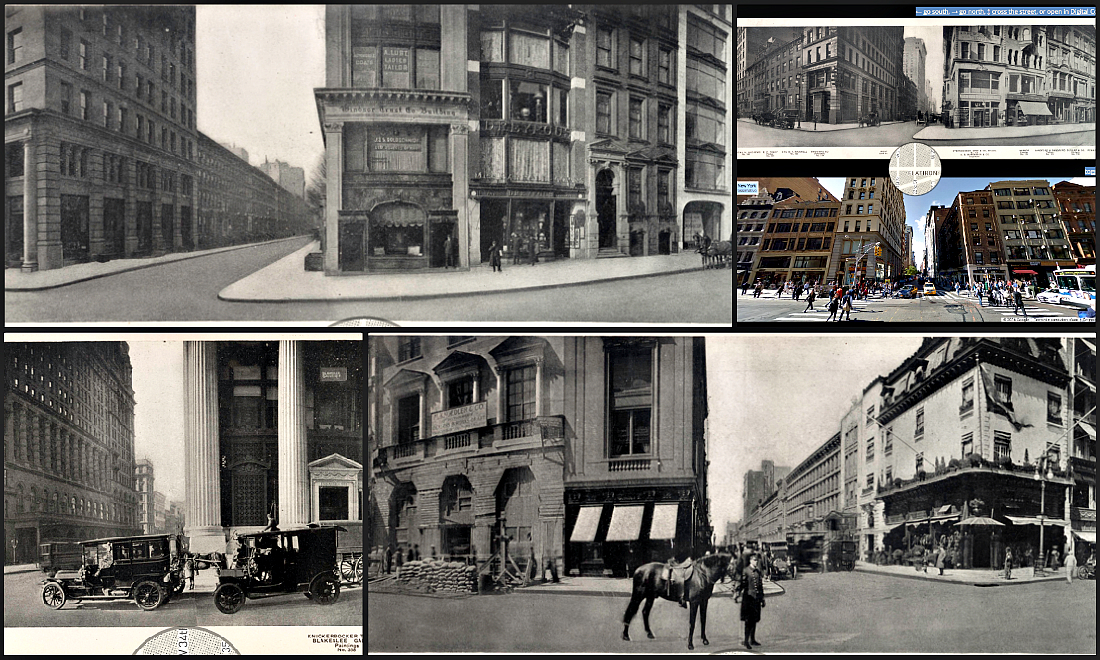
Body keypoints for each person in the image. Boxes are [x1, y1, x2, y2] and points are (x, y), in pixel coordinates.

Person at [741, 554, 766, 649]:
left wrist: (762, 599)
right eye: (754, 560)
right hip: (748, 598)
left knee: (754, 619)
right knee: (748, 620)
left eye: (757, 560)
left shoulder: (758, 571)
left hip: (756, 599)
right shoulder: (746, 571)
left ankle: (753, 639)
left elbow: (760, 586)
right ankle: (746, 641)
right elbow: (743, 584)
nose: (756, 562)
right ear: (751, 561)